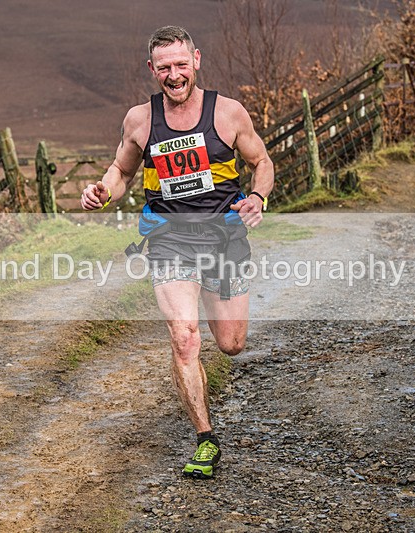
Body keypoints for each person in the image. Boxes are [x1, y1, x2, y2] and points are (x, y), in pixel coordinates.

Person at [81, 26, 274, 479]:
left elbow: (260, 163)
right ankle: (206, 439)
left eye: (180, 65)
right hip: (168, 240)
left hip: (224, 239)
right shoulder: (139, 120)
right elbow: (121, 171)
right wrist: (102, 192)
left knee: (231, 343)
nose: (173, 75)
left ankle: (212, 313)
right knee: (185, 336)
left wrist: (258, 198)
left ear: (196, 61)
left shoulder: (227, 113)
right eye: (163, 67)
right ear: (152, 69)